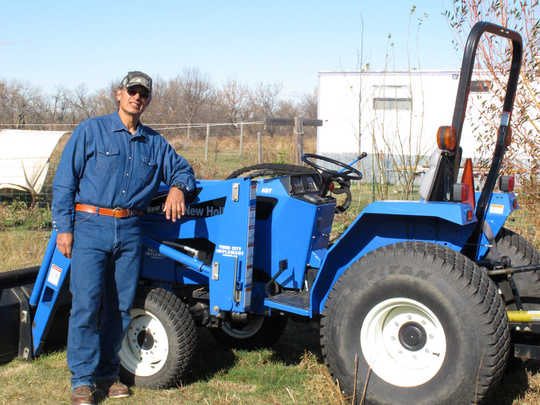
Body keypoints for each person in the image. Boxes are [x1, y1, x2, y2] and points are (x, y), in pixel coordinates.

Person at [52, 71, 195, 405]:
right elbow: (64, 182)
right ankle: (82, 380)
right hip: (90, 225)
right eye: (132, 91)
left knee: (119, 306)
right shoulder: (91, 131)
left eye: (143, 94)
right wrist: (64, 227)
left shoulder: (154, 143)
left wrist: (177, 187)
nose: (137, 98)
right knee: (86, 304)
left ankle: (108, 374)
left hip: (130, 230)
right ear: (119, 94)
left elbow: (183, 169)